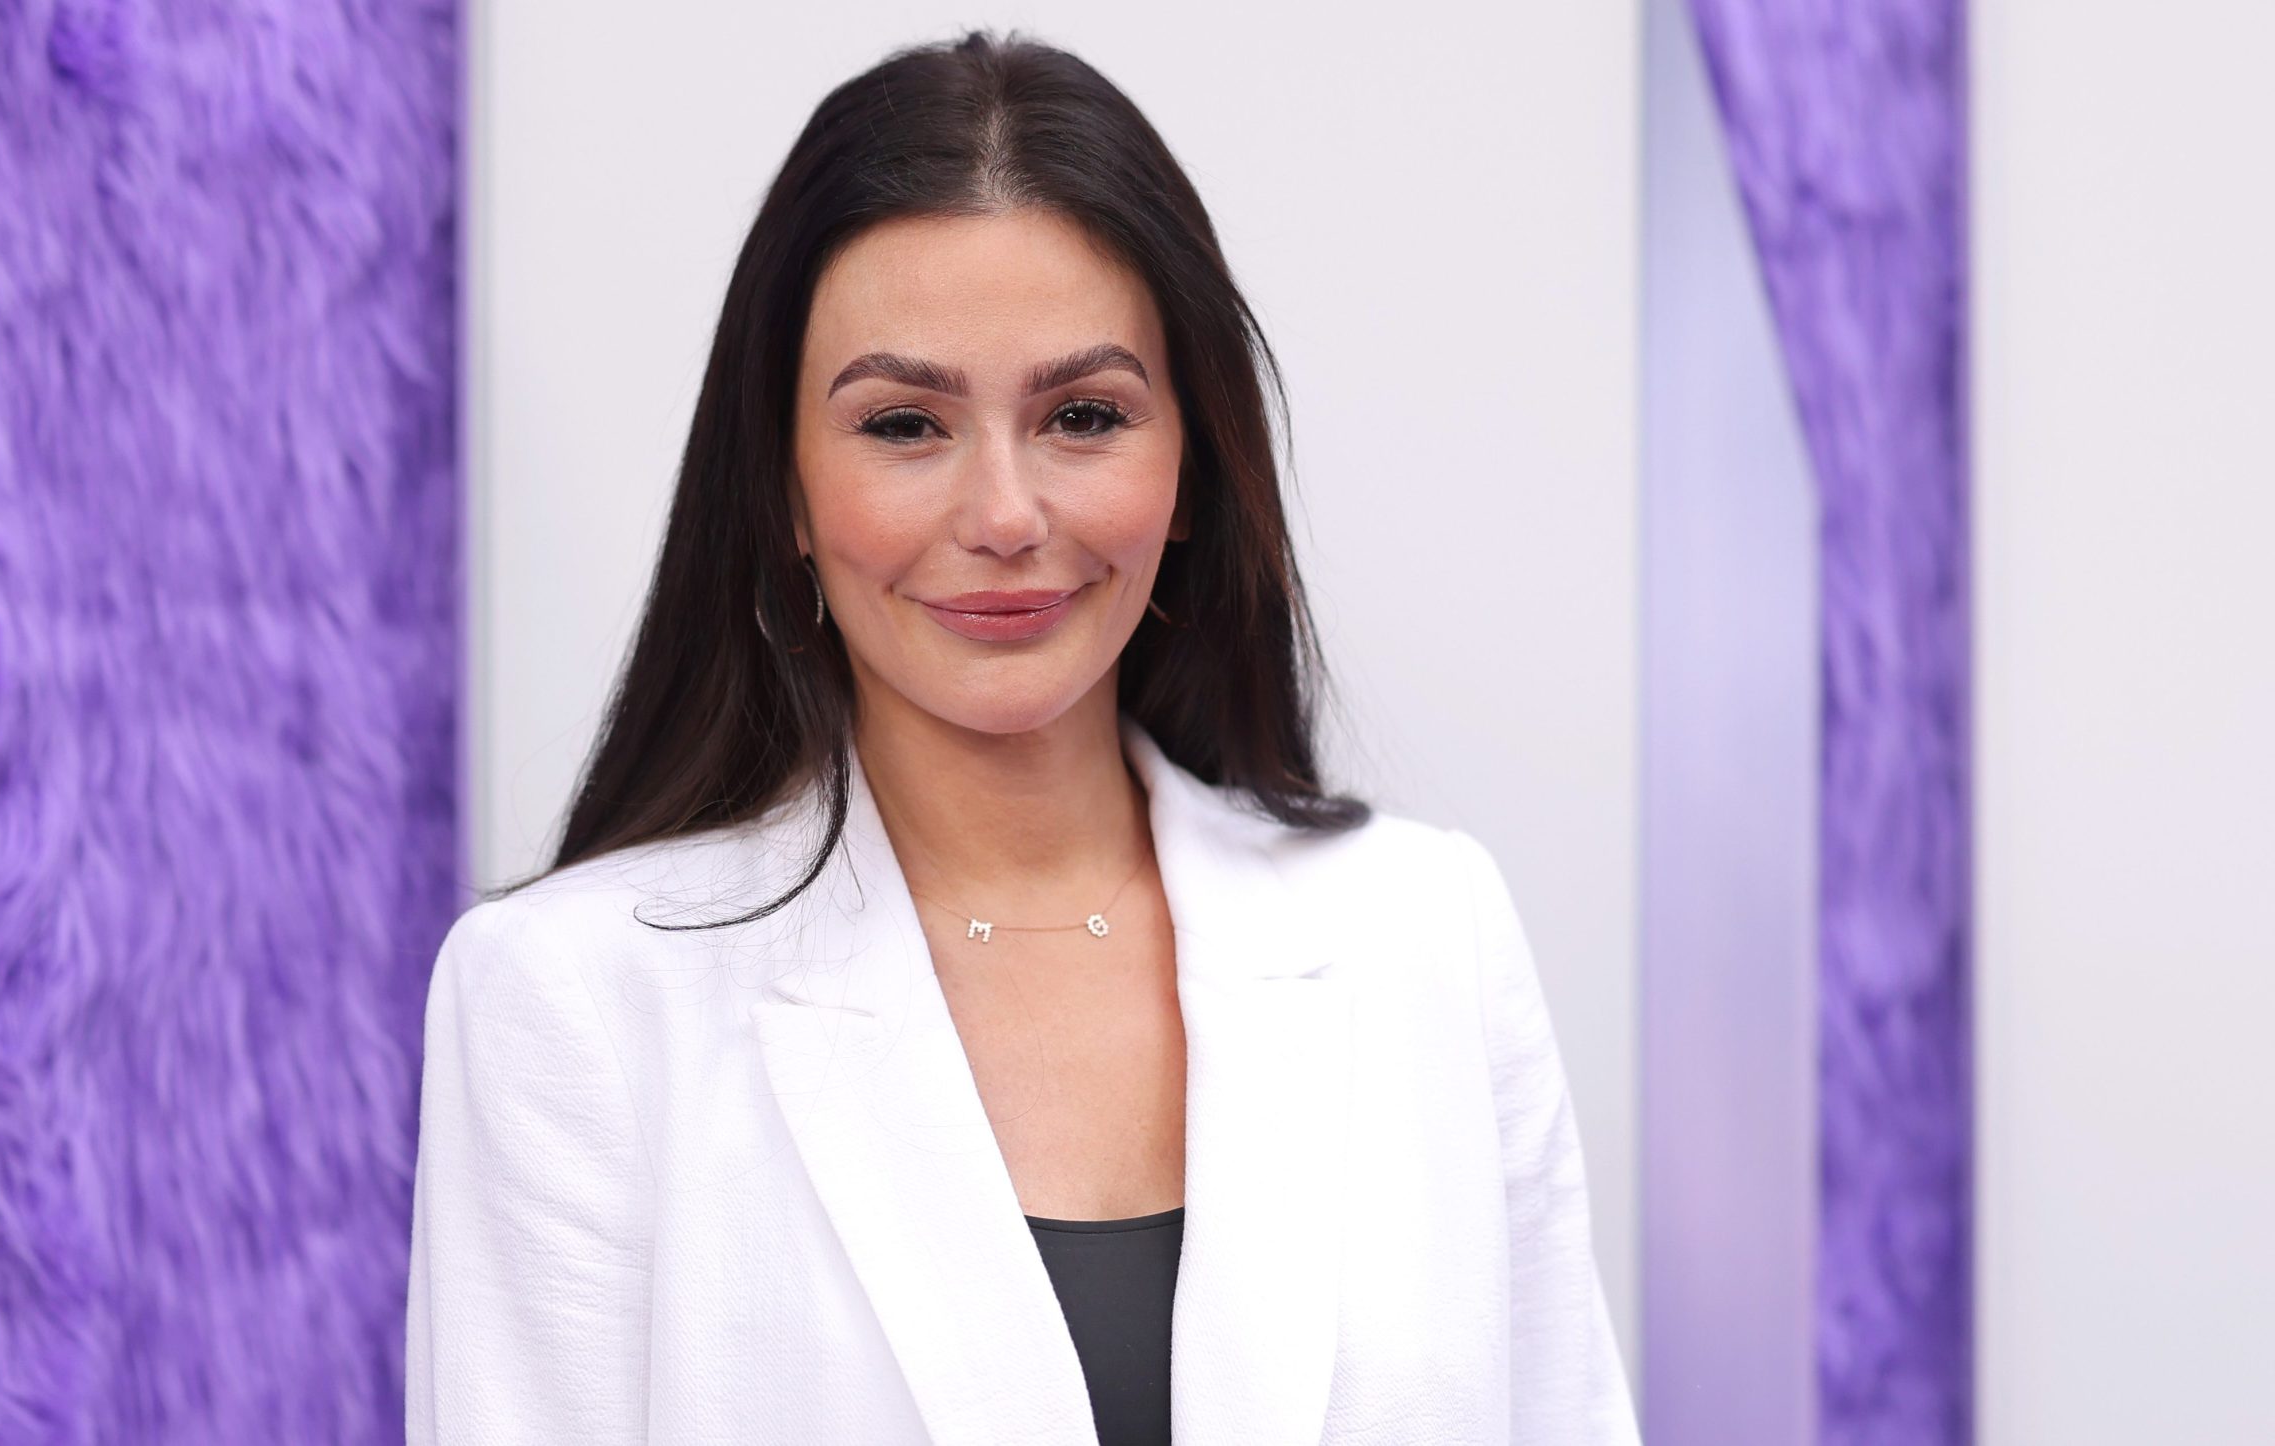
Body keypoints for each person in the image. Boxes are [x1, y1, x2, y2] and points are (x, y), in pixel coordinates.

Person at [404, 28, 1638, 1446]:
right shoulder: (569, 1004)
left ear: (1193, 469)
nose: (1003, 513)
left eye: (1084, 414)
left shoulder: (1428, 935)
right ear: (786, 489)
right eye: (906, 422)